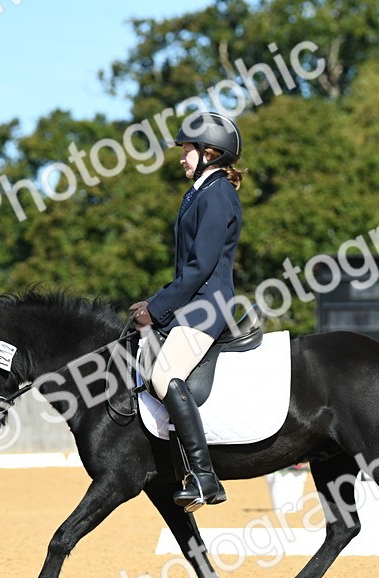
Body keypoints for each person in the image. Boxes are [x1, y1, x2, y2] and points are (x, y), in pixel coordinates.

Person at [129, 111, 244, 511]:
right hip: (193, 303)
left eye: (188, 150)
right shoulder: (200, 191)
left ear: (210, 153)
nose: (181, 157)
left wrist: (158, 307)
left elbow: (200, 267)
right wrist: (154, 302)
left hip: (207, 306)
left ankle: (203, 476)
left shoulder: (216, 194)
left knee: (163, 374)